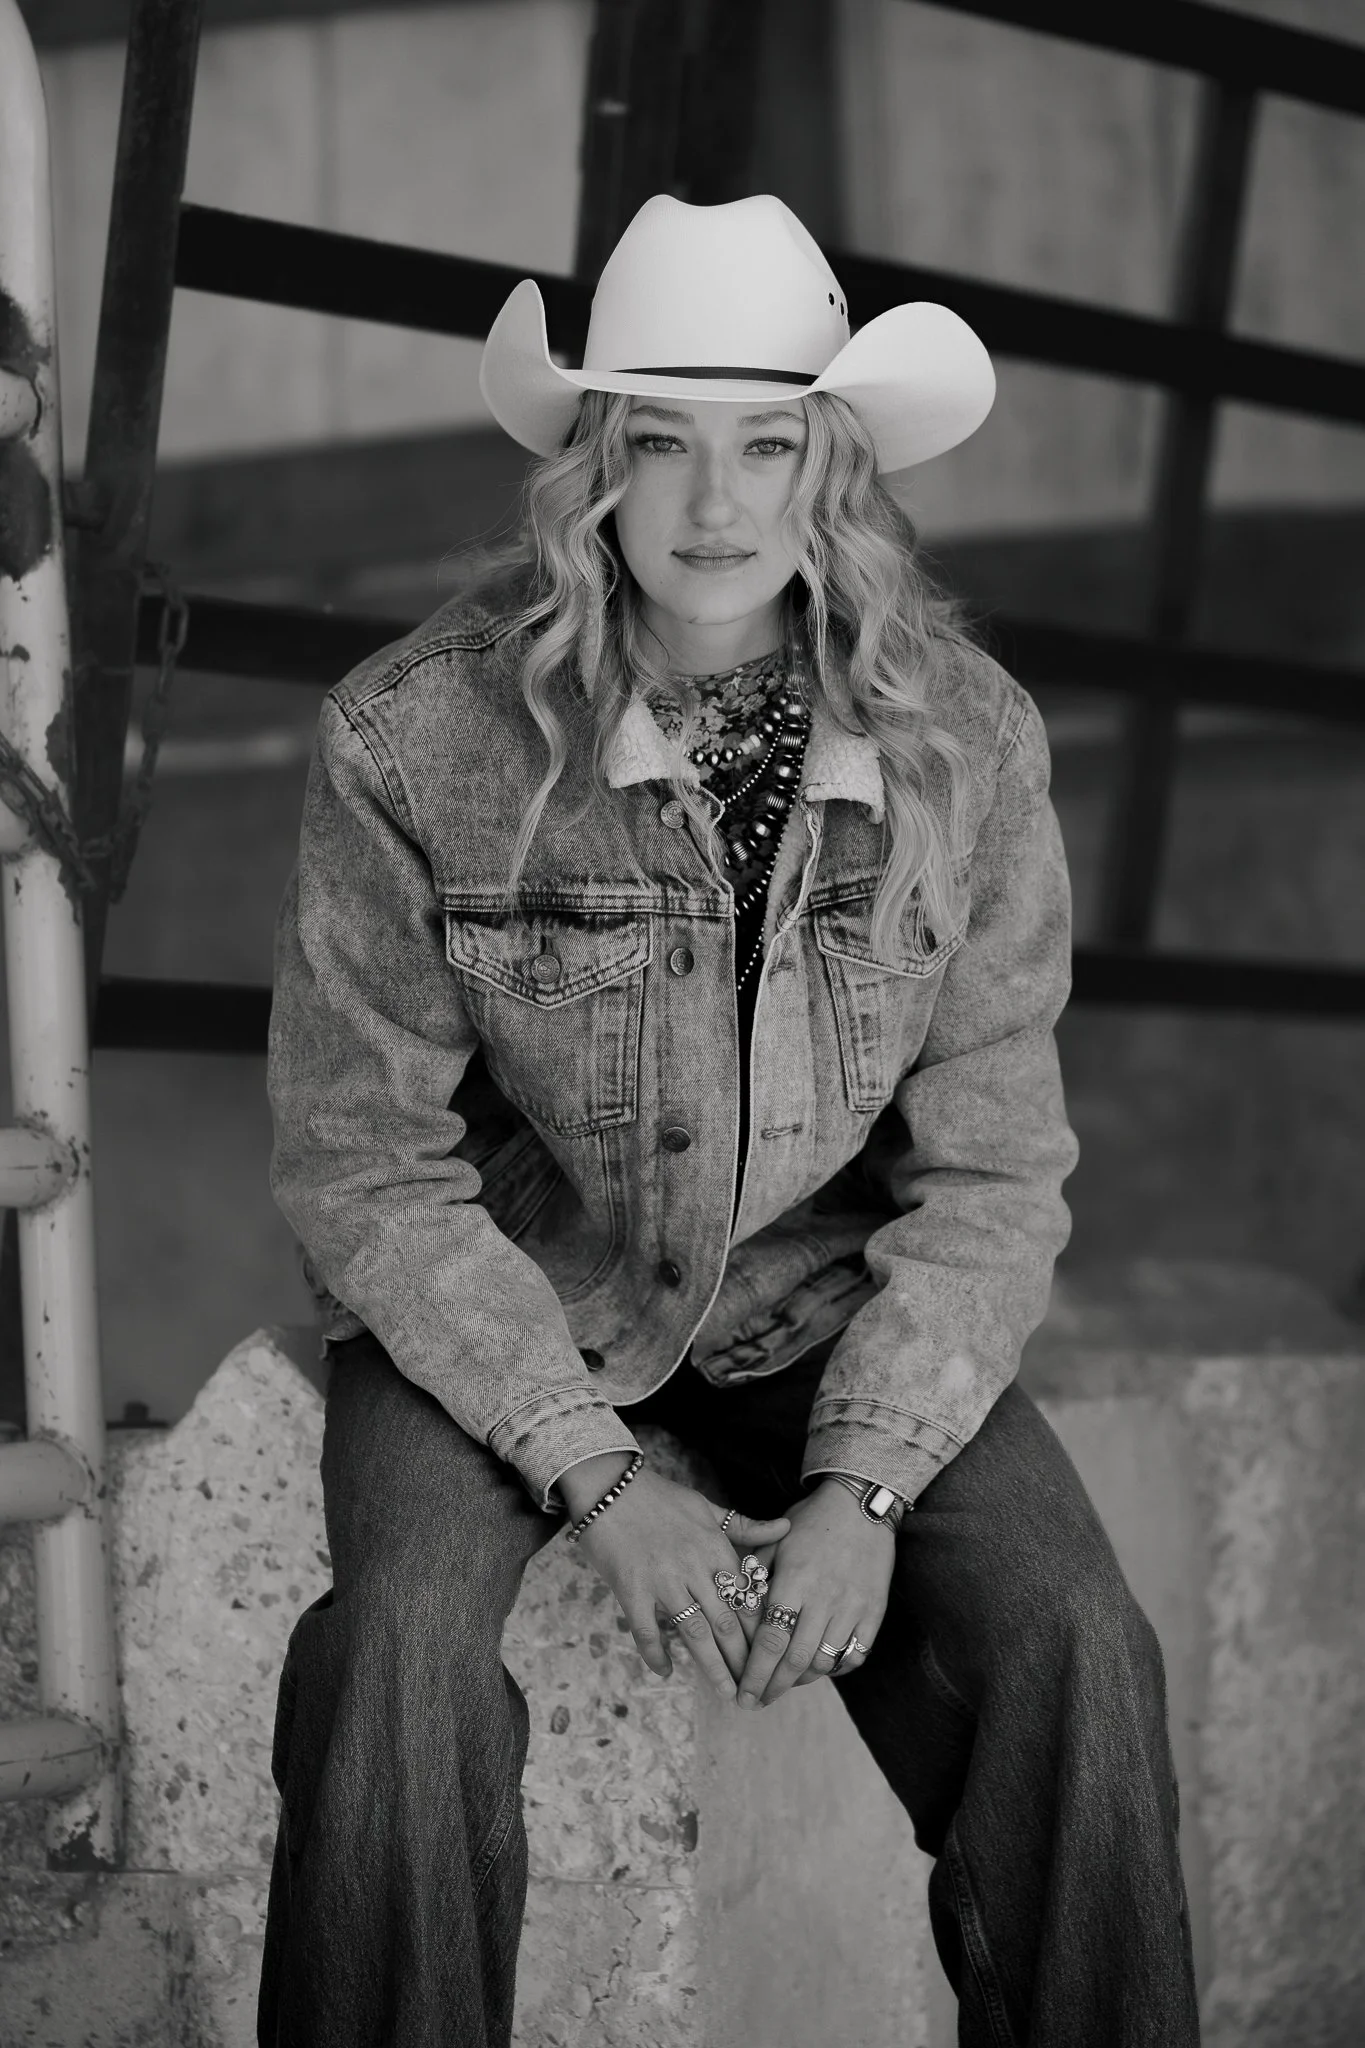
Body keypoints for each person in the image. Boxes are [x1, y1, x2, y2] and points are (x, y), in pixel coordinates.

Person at [258, 194, 1200, 2047]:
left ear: (829, 468)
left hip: (823, 1293)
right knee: (395, 1663)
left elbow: (998, 1162)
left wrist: (863, 1486)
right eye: (661, 443)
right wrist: (592, 1473)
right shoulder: (417, 739)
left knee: (1080, 1647)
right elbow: (363, 1160)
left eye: (767, 443)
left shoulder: (963, 746)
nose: (715, 503)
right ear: (591, 465)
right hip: (512, 1288)